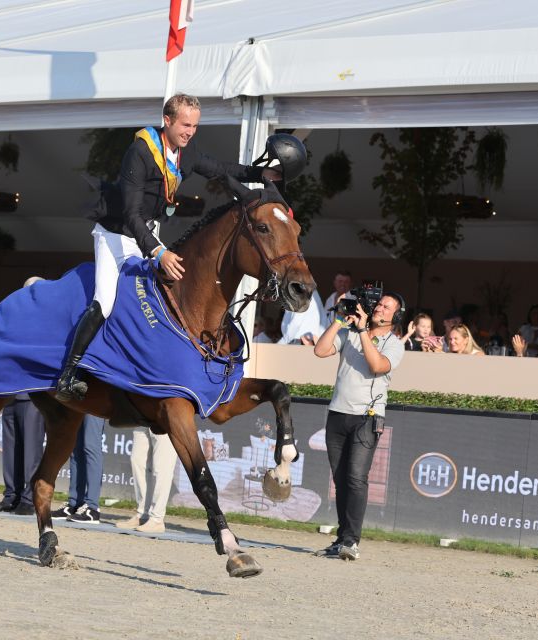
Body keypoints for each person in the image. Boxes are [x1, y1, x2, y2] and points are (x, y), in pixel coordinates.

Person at [55, 93, 299, 401]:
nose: (190, 132)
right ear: (167, 121)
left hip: (149, 231)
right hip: (117, 233)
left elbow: (221, 169)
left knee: (164, 295)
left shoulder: (186, 150)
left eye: (195, 126)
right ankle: (68, 373)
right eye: (185, 125)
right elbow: (131, 215)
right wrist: (159, 251)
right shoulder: (140, 152)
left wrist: (259, 174)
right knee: (106, 300)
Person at [312, 291, 406, 561]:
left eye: (386, 307)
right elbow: (319, 350)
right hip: (337, 414)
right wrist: (340, 321)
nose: (379, 308)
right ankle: (342, 538)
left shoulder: (394, 343)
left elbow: (377, 365)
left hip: (368, 416)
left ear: (395, 316)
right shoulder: (349, 332)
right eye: (378, 304)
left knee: (355, 478)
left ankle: (351, 541)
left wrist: (363, 330)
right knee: (340, 480)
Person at [0, 277, 46, 515]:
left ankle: (29, 499)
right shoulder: (16, 318)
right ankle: (11, 494)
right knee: (10, 448)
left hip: (33, 394)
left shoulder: (44, 321)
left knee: (31, 450)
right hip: (10, 390)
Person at [115, 426, 178, 534]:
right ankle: (142, 514)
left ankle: (157, 519)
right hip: (144, 414)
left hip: (166, 415)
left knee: (162, 467)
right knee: (137, 460)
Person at [50, 415, 105, 523]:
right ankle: (75, 503)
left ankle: (92, 508)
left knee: (91, 446)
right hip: (79, 401)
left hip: (95, 401)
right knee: (75, 450)